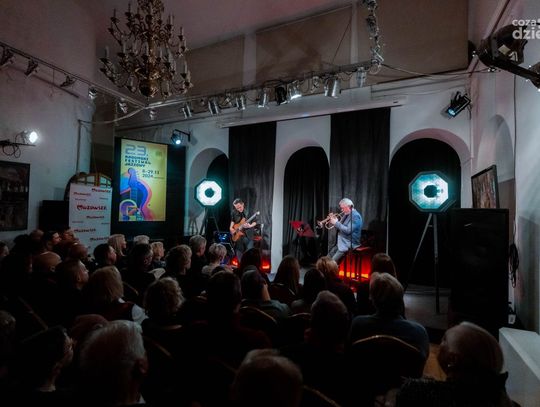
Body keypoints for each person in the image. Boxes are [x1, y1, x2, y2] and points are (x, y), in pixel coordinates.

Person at [327, 197, 362, 263]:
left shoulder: (355, 216)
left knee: (332, 262)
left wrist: (336, 223)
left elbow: (348, 230)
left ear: (349, 207)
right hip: (341, 242)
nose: (341, 210)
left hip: (349, 242)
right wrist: (335, 221)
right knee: (327, 258)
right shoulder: (346, 214)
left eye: (343, 208)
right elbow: (340, 227)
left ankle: (331, 267)